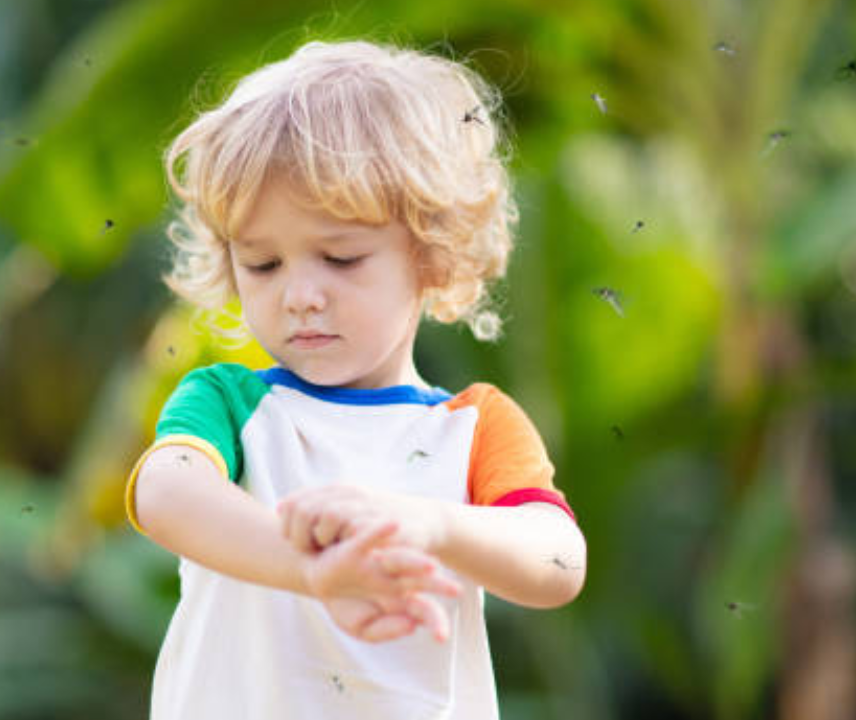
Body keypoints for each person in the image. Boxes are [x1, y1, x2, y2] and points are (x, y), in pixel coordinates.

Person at [125, 38, 586, 720]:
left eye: (340, 258)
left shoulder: (471, 427)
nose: (300, 295)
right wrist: (308, 567)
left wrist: (427, 525)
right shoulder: (230, 403)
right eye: (262, 264)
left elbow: (557, 564)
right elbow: (166, 494)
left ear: (433, 254)